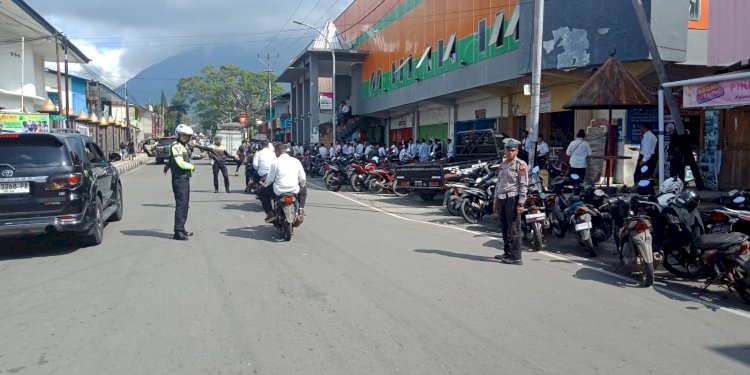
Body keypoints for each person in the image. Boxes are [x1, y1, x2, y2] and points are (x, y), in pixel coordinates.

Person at [493, 139, 529, 265]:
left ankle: (516, 257)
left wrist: (521, 203)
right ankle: (507, 252)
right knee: (505, 228)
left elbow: (524, 185)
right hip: (501, 198)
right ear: (505, 151)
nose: (510, 152)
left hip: (512, 199)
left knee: (514, 228)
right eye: (508, 150)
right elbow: (498, 184)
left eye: (512, 150)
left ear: (516, 151)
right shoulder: (503, 165)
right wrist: (495, 201)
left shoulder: (521, 165)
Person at [260, 143, 307, 224]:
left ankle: (270, 213)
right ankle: (301, 210)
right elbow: (302, 178)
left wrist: (264, 185)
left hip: (278, 190)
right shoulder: (296, 161)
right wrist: (302, 185)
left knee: (262, 192)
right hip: (294, 189)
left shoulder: (275, 162)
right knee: (304, 191)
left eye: (275, 152)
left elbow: (270, 179)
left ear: (278, 152)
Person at [164, 124, 196, 241]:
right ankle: (177, 231)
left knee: (185, 205)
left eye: (187, 136)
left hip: (184, 178)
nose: (185, 138)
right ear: (178, 135)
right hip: (179, 178)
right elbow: (180, 163)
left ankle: (182, 228)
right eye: (183, 136)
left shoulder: (183, 146)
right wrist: (192, 166)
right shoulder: (177, 146)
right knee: (181, 205)